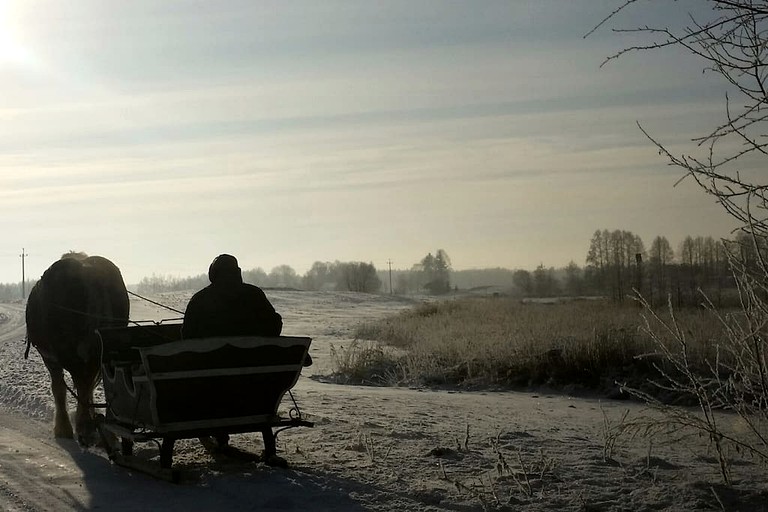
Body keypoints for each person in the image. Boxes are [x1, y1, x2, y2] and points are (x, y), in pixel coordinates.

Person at [182, 254, 283, 339]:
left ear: (212, 273)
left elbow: (187, 334)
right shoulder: (254, 293)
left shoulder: (200, 299)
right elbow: (274, 325)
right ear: (237, 272)